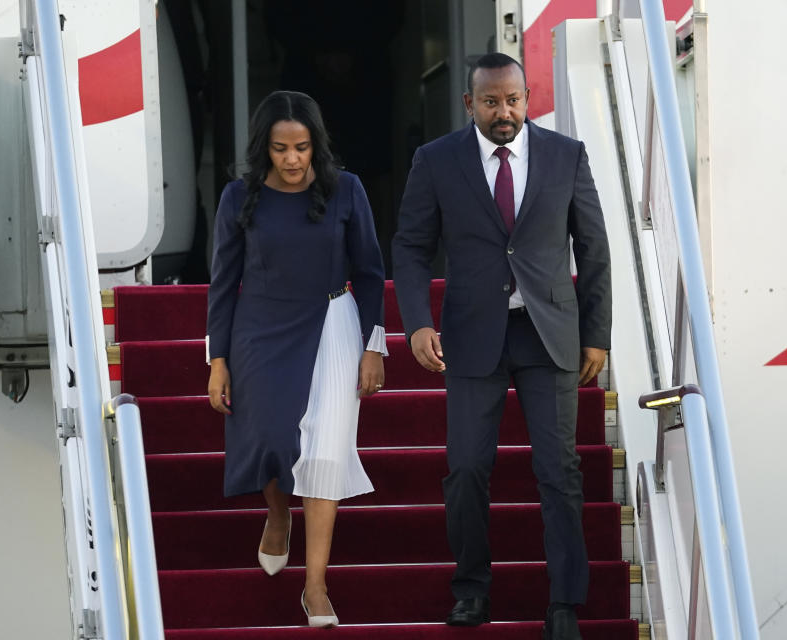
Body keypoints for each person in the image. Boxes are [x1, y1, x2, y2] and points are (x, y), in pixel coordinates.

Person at [392, 53, 611, 640]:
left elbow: (593, 248)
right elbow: (411, 248)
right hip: (470, 335)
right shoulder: (436, 161)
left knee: (558, 470)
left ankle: (565, 600)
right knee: (465, 468)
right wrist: (416, 323)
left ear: (527, 97)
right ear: (471, 105)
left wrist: (597, 334)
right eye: (491, 102)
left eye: (513, 99)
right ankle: (471, 589)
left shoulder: (567, 155)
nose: (504, 111)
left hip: (550, 334)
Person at [206, 90, 387, 629]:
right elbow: (222, 282)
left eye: (302, 148)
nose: (291, 159)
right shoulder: (238, 197)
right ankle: (279, 513)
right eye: (281, 148)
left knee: (325, 454)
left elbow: (372, 272)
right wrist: (217, 359)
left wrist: (374, 344)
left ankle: (315, 586)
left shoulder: (347, 190)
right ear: (265, 147)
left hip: (333, 322)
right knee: (268, 439)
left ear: (316, 146)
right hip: (258, 329)